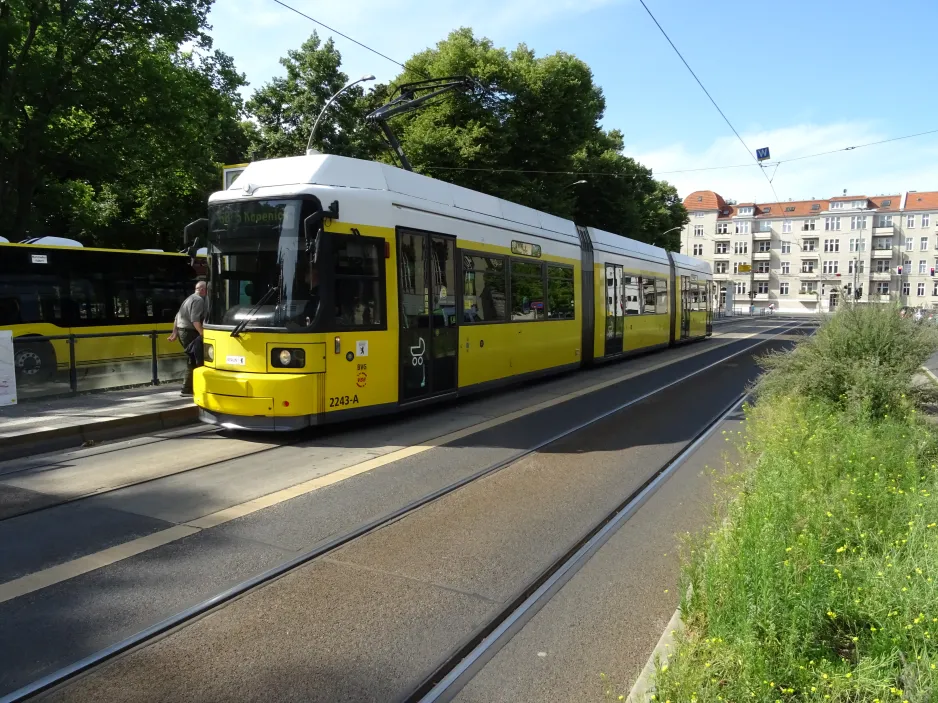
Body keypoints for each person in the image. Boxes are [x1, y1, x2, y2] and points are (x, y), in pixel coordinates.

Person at [168, 281, 206, 396]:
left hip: (182, 331)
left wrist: (175, 332)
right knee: (194, 358)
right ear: (203, 290)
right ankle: (187, 389)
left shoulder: (189, 299)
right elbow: (195, 320)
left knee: (192, 357)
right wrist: (203, 334)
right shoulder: (199, 300)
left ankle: (188, 388)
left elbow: (177, 317)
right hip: (190, 332)